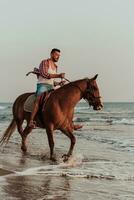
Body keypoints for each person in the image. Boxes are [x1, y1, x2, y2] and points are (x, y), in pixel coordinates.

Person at [28, 48, 65, 128]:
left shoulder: (55, 66)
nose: (58, 57)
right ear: (51, 54)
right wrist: (58, 75)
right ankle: (31, 121)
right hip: (42, 85)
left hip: (51, 86)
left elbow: (52, 80)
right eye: (56, 55)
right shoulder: (45, 62)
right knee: (38, 100)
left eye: (59, 56)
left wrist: (59, 83)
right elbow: (44, 74)